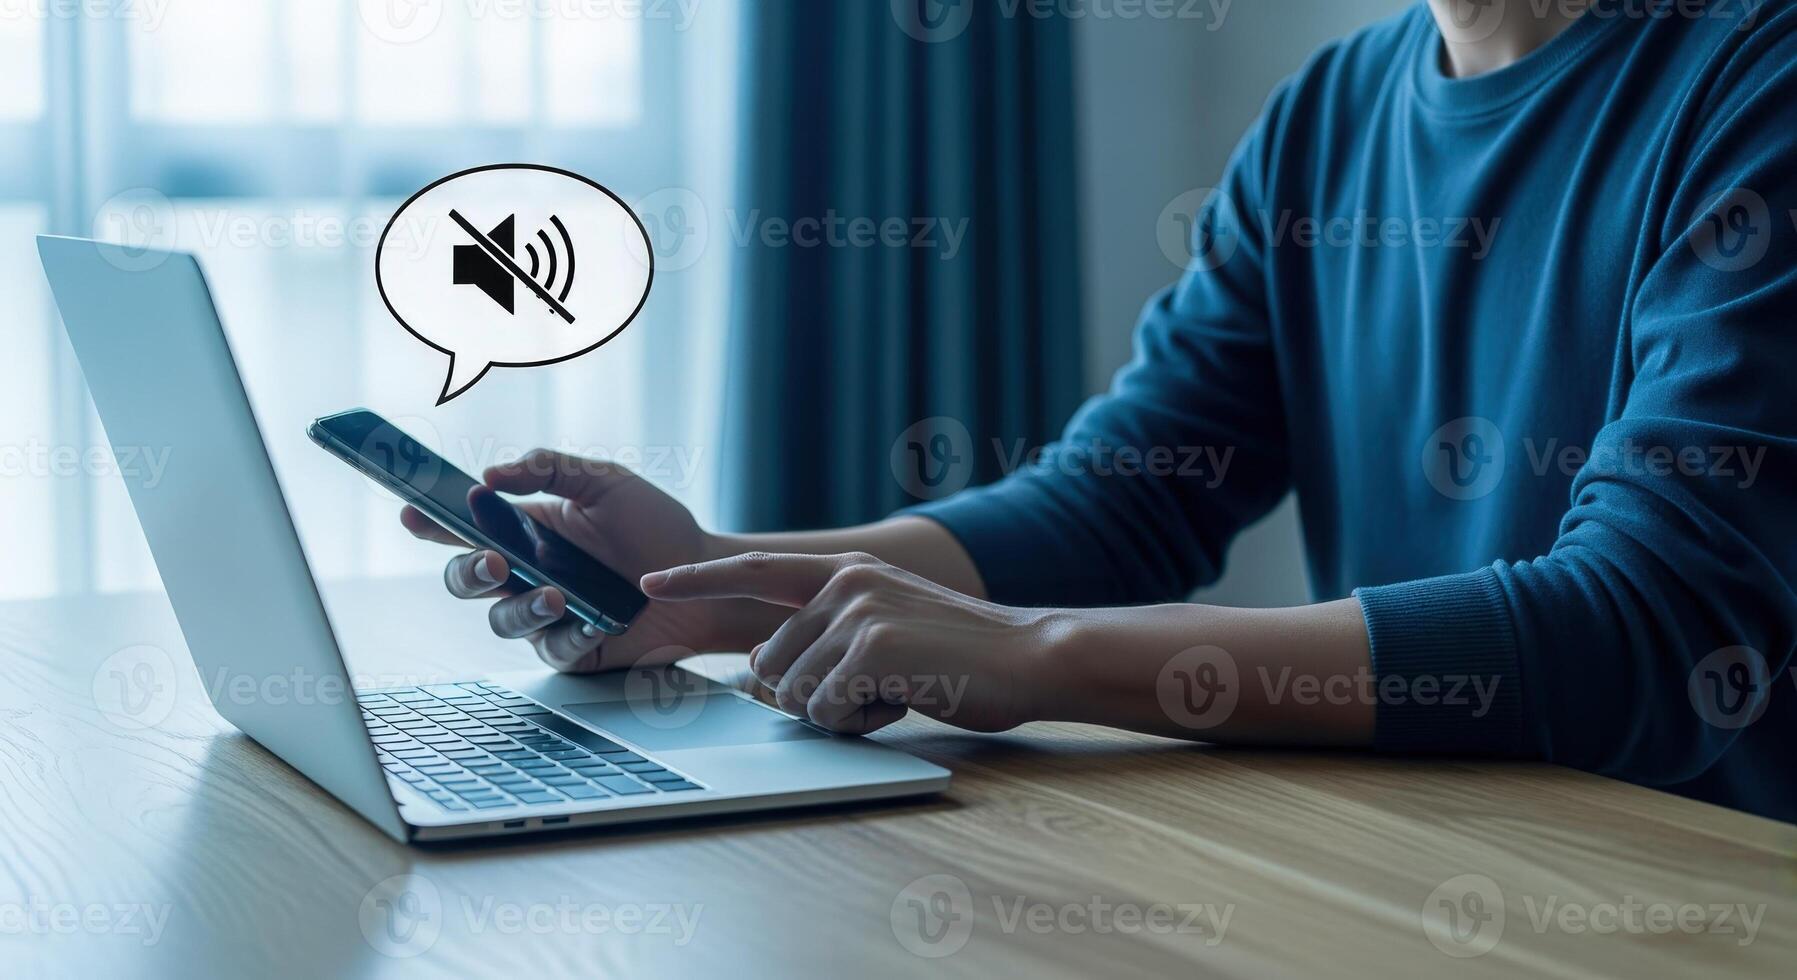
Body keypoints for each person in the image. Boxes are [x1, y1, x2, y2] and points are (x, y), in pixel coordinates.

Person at [403, 0, 1797, 822]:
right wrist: (717, 588)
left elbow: (1651, 628)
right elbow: (1125, 498)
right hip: (1448, 849)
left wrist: (1039, 655)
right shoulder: (1332, 108)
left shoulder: (1762, 80)